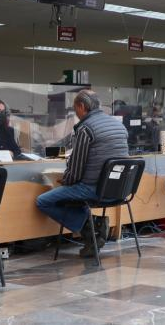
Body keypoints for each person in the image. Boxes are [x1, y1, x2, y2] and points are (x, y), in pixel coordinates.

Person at [36, 90, 129, 257]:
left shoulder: (86, 128)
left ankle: (92, 227)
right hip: (119, 190)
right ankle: (94, 230)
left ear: (81, 106)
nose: (76, 114)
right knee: (72, 197)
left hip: (94, 189)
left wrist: (66, 180)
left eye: (75, 109)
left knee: (43, 201)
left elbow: (76, 170)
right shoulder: (119, 125)